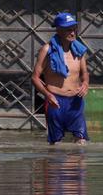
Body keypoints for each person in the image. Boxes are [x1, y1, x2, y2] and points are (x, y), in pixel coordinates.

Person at [32, 12, 90, 145]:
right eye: (68, 30)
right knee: (56, 144)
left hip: (76, 101)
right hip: (55, 101)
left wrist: (85, 83)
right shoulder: (47, 50)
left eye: (74, 29)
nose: (72, 33)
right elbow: (35, 78)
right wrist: (47, 95)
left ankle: (78, 166)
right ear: (58, 30)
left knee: (81, 142)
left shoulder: (79, 51)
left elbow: (85, 73)